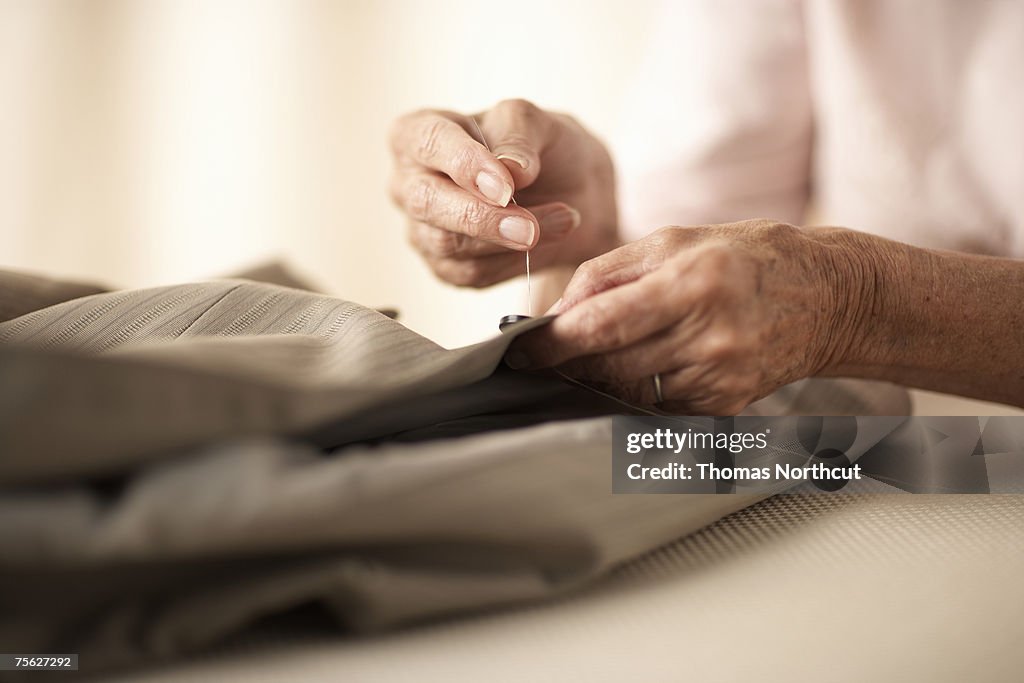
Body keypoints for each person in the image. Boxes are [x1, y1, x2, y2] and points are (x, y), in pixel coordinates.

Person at [388, 0, 1023, 414]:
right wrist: (597, 234)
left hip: (930, 454)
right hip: (903, 453)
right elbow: (702, 236)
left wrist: (857, 302)